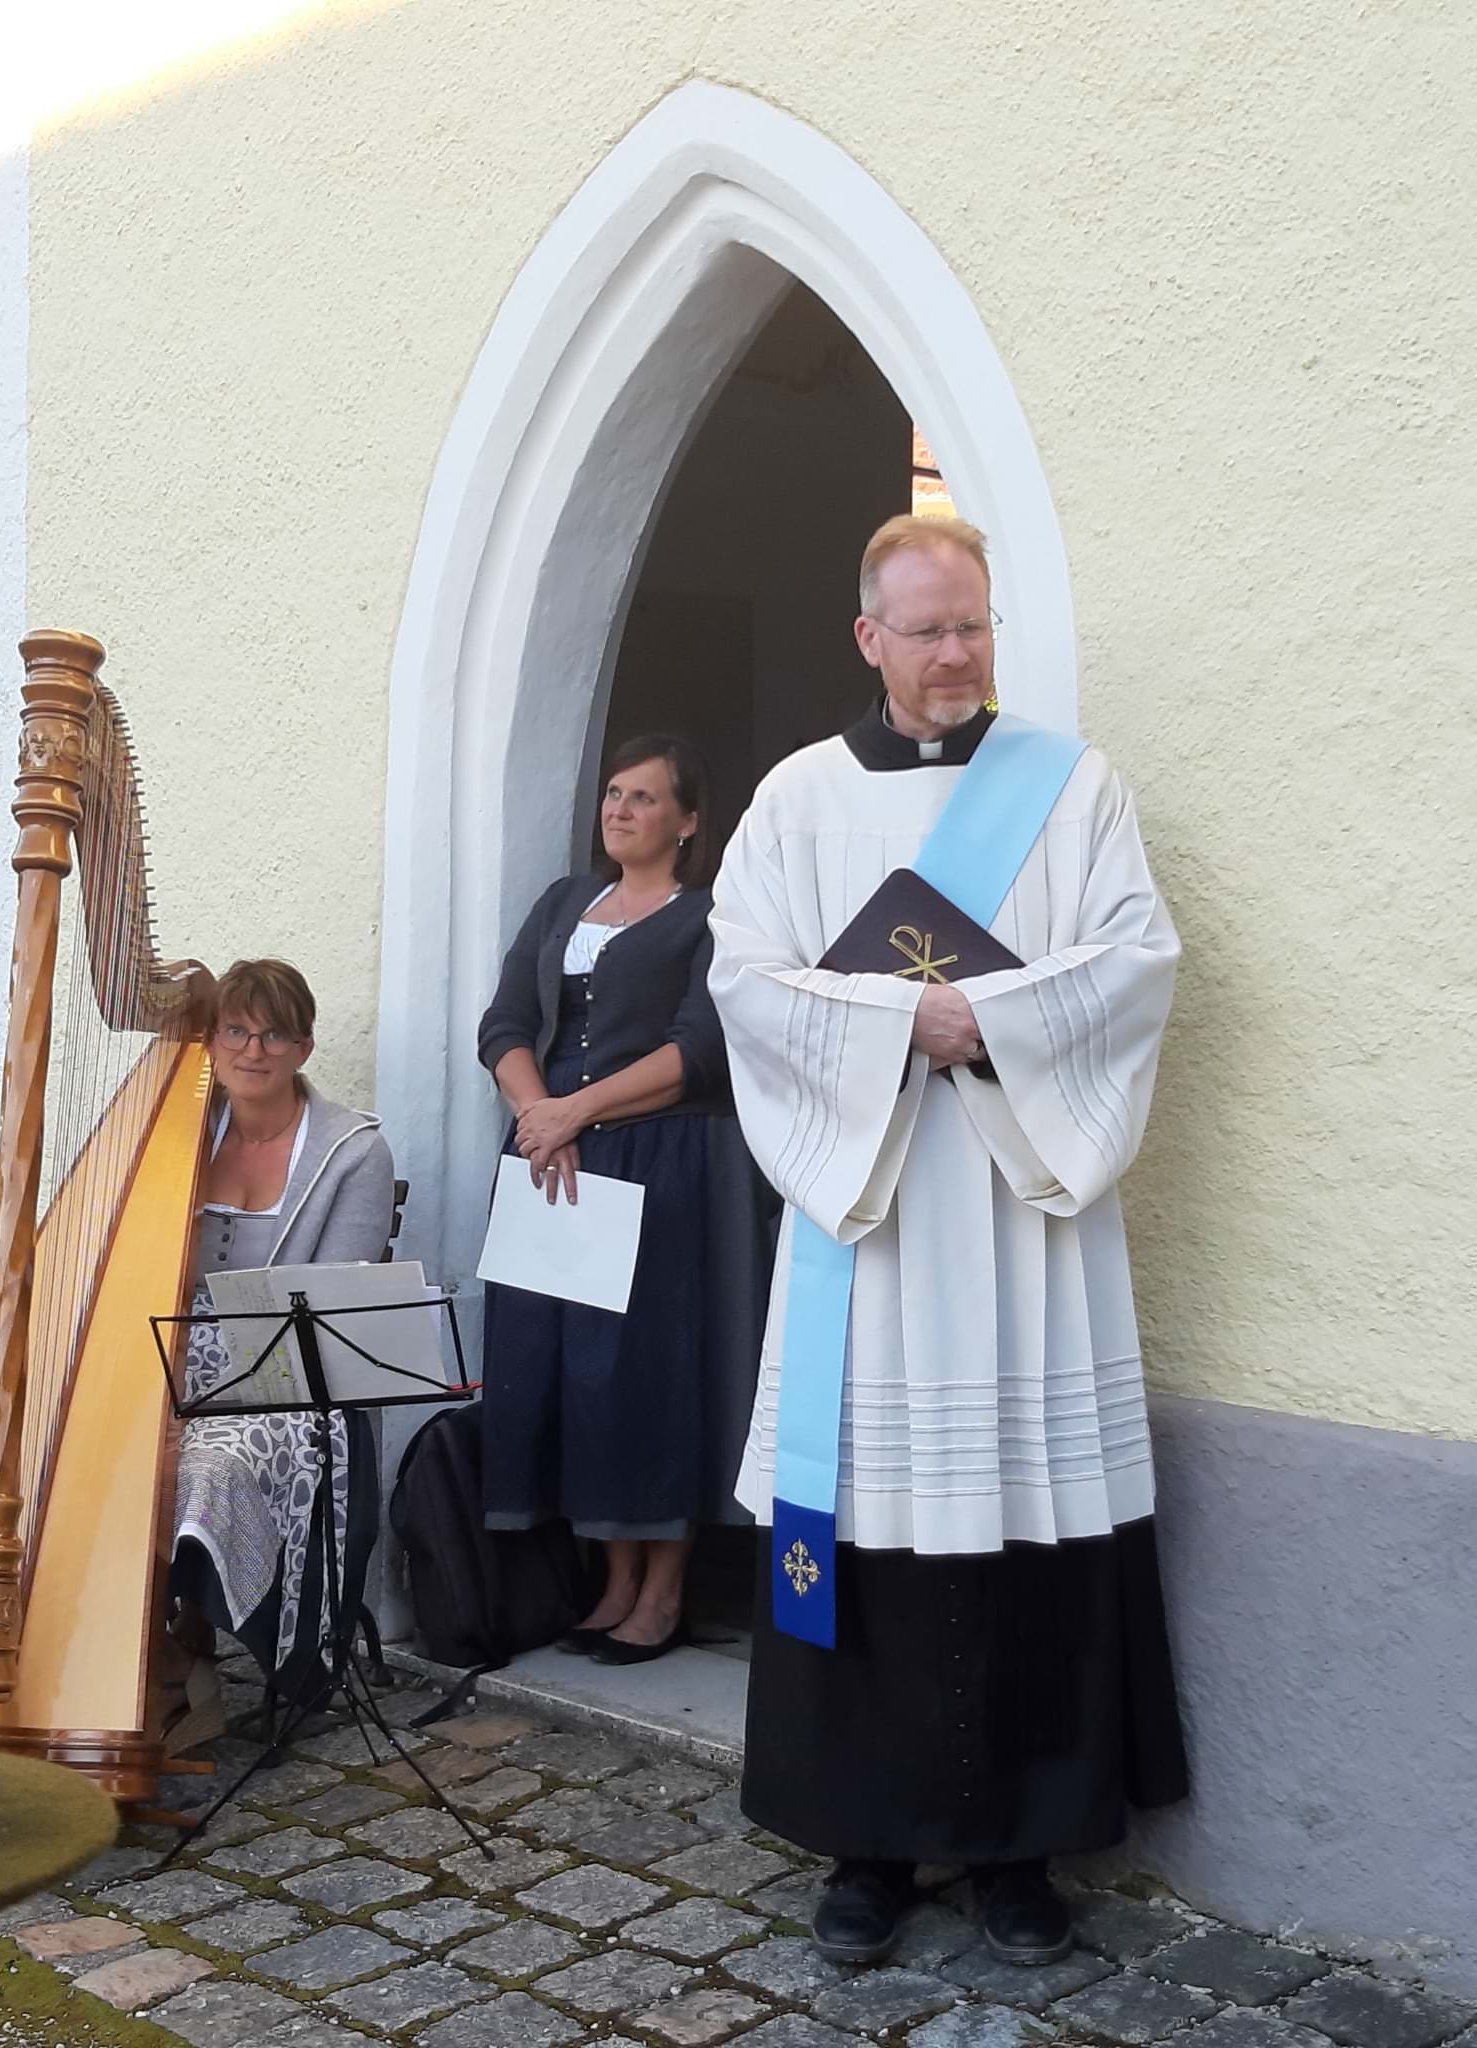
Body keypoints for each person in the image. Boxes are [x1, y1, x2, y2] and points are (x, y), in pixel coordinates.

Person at [708, 514, 1188, 1967]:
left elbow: (1137, 959)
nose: (956, 653)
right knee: (866, 1523)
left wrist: (995, 1019)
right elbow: (745, 982)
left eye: (972, 625)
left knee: (1021, 1515)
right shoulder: (796, 799)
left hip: (1016, 1214)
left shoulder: (1073, 788)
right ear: (870, 638)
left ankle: (1018, 1852)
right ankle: (865, 1848)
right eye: (926, 630)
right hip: (874, 1225)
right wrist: (896, 1019)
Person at [477, 735, 769, 1664]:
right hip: (553, 1158)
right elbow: (504, 1024)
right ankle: (611, 1580)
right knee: (570, 1369)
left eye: (644, 798)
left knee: (650, 1372)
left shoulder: (712, 917)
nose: (620, 809)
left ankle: (664, 1590)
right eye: (613, 793)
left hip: (663, 1158)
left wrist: (578, 1110)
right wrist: (540, 1115)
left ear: (687, 822)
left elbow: (700, 1050)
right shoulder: (562, 903)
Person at [166, 958, 397, 1749]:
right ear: (212, 1040)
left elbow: (325, 1318)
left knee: (208, 1465)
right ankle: (158, 1656)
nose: (252, 1050)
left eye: (274, 1035)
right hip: (169, 1366)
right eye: (236, 1030)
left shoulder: (351, 1152)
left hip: (288, 1386)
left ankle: (225, 1653)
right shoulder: (178, 1133)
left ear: (303, 1048)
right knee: (82, 1450)